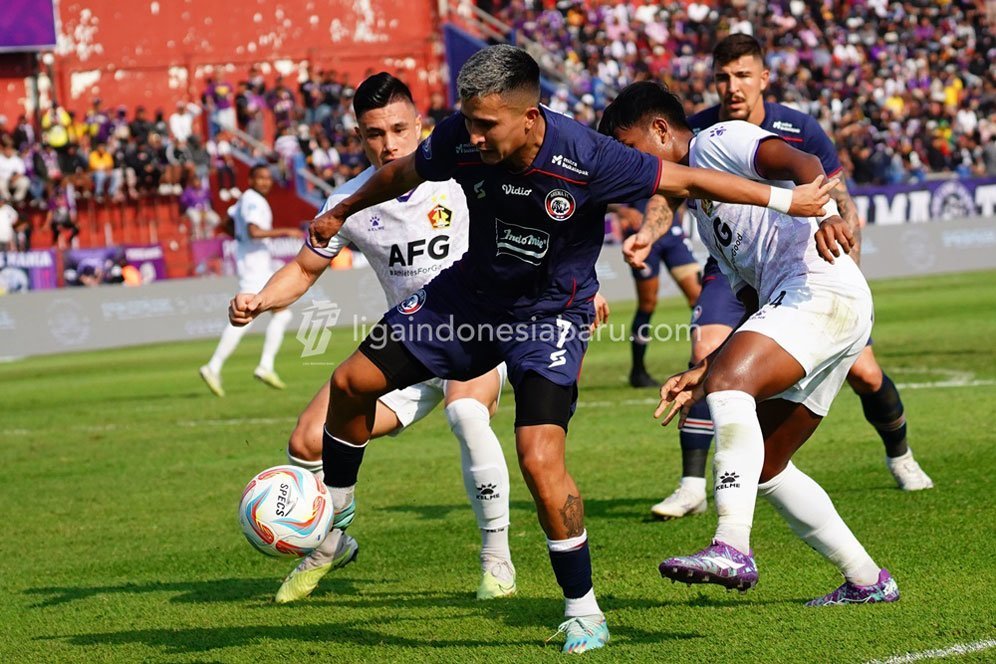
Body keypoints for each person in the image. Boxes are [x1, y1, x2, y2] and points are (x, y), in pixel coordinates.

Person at [302, 45, 830, 653]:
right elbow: (402, 173)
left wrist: (790, 200)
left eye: (485, 125)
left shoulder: (587, 155)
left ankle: (583, 611)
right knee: (350, 384)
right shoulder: (459, 136)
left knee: (538, 458)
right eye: (467, 121)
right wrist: (342, 209)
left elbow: (686, 178)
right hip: (468, 300)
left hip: (550, 318)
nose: (470, 136)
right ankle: (336, 519)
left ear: (529, 118)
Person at [600, 80, 900, 607]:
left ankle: (731, 545)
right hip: (816, 305)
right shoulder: (706, 217)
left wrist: (828, 217)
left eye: (630, 149)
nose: (630, 167)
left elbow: (803, 162)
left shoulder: (717, 141)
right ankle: (868, 580)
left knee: (731, 387)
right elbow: (752, 308)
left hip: (820, 287)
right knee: (765, 467)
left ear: (661, 129)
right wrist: (708, 367)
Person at [230, 72, 522, 603]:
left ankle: (496, 559)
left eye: (398, 128)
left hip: (477, 331)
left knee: (466, 413)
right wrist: (261, 300)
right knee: (307, 440)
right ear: (358, 136)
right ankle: (331, 541)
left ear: (421, 126)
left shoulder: (465, 174)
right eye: (373, 133)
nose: (388, 144)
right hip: (407, 346)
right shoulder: (349, 201)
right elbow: (302, 269)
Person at [646, 34, 932, 521]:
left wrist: (842, 268)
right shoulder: (693, 132)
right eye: (722, 77)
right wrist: (648, 235)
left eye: (741, 75)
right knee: (707, 356)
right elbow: (666, 195)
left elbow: (835, 195)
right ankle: (692, 485)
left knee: (865, 372)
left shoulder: (795, 127)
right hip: (734, 267)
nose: (731, 86)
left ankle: (900, 456)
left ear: (763, 78)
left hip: (806, 265)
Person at [199, 165, 300, 396]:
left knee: (281, 314)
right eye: (260, 178)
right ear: (251, 179)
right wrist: (286, 231)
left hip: (253, 265)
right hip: (255, 268)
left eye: (268, 178)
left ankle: (261, 366)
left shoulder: (244, 200)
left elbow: (227, 223)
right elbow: (255, 232)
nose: (265, 182)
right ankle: (217, 366)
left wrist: (239, 239)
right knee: (250, 317)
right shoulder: (254, 200)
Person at [615, 201, 701, 388]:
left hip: (672, 234)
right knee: (648, 303)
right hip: (641, 233)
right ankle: (638, 372)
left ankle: (702, 363)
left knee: (699, 298)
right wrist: (621, 210)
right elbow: (601, 189)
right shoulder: (627, 171)